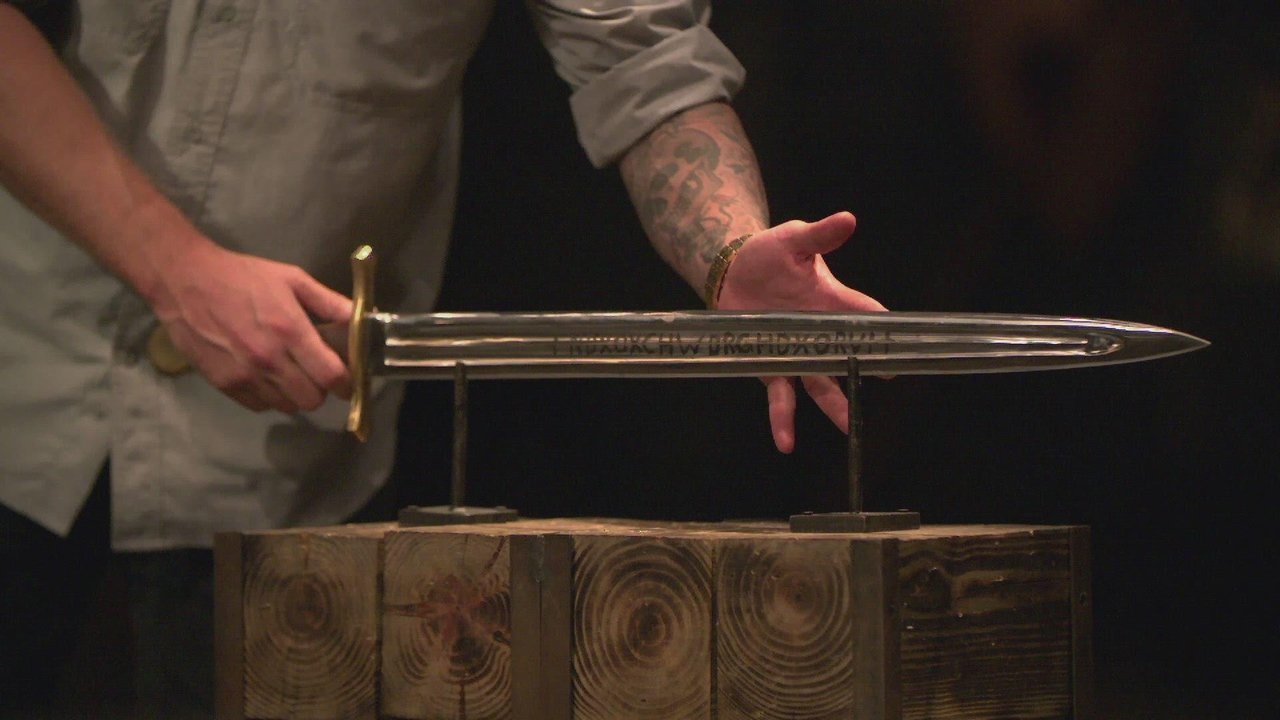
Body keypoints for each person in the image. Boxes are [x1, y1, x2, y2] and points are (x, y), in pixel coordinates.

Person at [0, 1, 885, 716]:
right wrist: (176, 269)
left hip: (278, 451)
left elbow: (648, 60)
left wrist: (727, 248)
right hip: (20, 362)